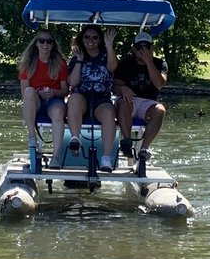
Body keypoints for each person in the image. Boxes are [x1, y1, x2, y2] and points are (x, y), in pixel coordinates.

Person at [66, 24, 118, 171]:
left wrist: (109, 45)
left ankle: (106, 158)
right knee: (73, 99)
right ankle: (75, 139)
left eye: (95, 37)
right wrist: (79, 60)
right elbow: (73, 82)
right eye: (87, 37)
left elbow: (112, 68)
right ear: (82, 39)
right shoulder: (76, 57)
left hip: (101, 98)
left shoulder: (107, 55)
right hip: (82, 97)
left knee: (109, 112)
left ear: (100, 40)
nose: (91, 40)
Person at [114, 31, 168, 162]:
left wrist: (149, 62)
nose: (142, 51)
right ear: (134, 49)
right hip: (129, 100)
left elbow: (159, 84)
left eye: (146, 47)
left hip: (148, 103)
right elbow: (113, 86)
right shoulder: (125, 63)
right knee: (124, 103)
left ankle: (144, 149)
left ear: (152, 48)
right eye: (139, 47)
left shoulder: (160, 63)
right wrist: (122, 88)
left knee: (160, 110)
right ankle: (127, 142)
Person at [18, 31, 69, 168]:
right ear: (36, 43)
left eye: (49, 41)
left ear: (53, 44)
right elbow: (24, 92)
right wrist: (39, 93)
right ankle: (32, 137)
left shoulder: (60, 63)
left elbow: (65, 90)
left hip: (54, 100)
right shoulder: (27, 64)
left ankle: (56, 157)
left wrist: (53, 92)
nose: (45, 44)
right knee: (29, 91)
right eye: (42, 41)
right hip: (36, 102)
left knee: (58, 111)